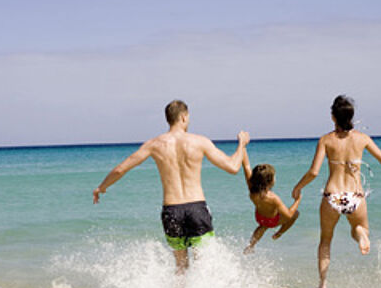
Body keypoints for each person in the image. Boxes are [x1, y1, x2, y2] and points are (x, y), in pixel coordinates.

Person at [93, 100, 250, 272]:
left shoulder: (154, 144)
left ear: (168, 119)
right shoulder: (199, 142)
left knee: (181, 267)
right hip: (196, 208)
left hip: (172, 211)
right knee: (204, 266)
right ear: (183, 117)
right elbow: (233, 167)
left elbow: (121, 169)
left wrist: (101, 187)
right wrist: (241, 144)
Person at [291, 95, 381, 288]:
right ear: (351, 117)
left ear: (333, 117)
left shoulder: (326, 140)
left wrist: (298, 187)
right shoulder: (362, 139)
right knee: (359, 228)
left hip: (332, 196)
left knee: (325, 241)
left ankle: (323, 285)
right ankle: (360, 234)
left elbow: (313, 172)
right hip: (355, 196)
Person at [242, 150, 301, 254]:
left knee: (263, 226)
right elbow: (288, 215)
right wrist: (297, 200)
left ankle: (251, 246)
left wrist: (242, 148)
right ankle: (279, 233)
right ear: (270, 181)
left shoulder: (252, 189)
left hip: (259, 217)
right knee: (296, 214)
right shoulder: (273, 198)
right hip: (272, 220)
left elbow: (246, 166)